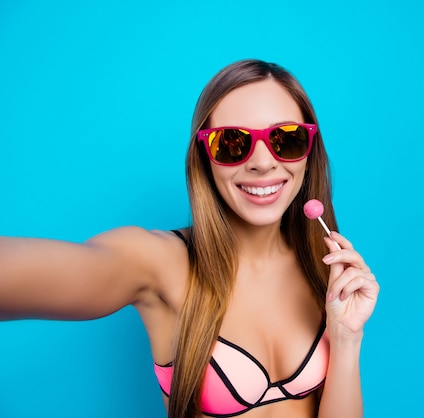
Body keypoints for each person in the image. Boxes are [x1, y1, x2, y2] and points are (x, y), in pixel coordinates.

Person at [0, 59, 379, 418]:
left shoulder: (322, 267)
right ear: (204, 155)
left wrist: (346, 339)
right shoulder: (159, 263)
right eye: (232, 142)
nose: (263, 162)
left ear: (309, 152)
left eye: (286, 139)